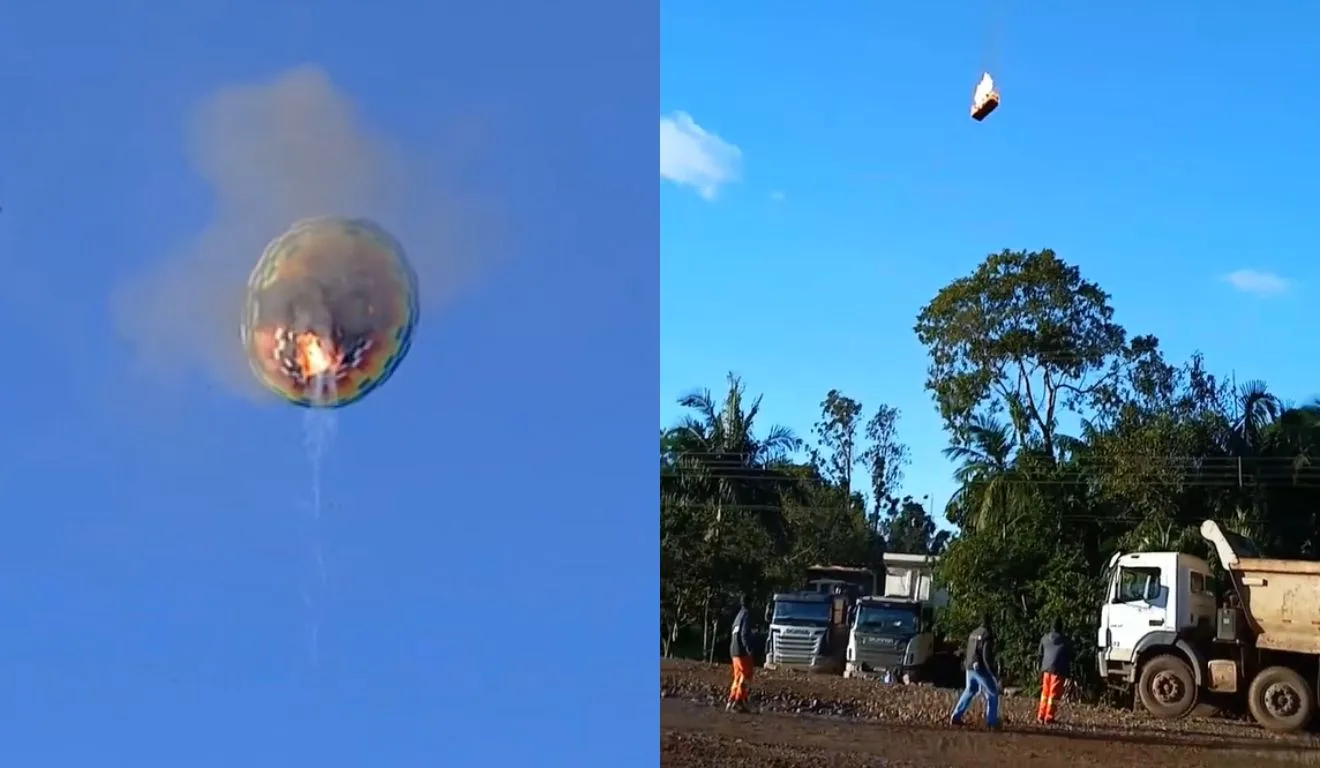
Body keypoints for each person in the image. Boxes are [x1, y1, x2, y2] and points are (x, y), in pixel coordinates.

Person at [950, 613, 1000, 728]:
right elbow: (986, 657)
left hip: (969, 667)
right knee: (993, 693)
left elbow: (969, 650)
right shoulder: (986, 635)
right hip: (979, 669)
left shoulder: (973, 633)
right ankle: (991, 722)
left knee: (970, 690)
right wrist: (993, 673)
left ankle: (956, 716)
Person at [1037, 618, 1071, 724]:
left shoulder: (1044, 638)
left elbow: (1039, 654)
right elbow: (1069, 656)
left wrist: (1039, 667)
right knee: (1054, 695)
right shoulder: (1065, 641)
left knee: (1045, 693)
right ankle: (1049, 717)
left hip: (1046, 669)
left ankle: (1041, 715)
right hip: (1058, 669)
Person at [726, 593, 755, 713]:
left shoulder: (738, 616)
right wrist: (748, 649)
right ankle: (738, 702)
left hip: (733, 650)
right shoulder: (746, 615)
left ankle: (732, 700)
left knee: (738, 677)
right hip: (741, 651)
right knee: (745, 675)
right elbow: (744, 634)